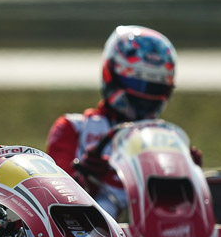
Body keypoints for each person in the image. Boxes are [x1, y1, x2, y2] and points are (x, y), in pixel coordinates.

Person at [46, 25, 200, 218]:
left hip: (153, 230)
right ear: (113, 75)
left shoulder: (168, 140)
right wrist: (85, 179)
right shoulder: (73, 129)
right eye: (138, 84)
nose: (145, 95)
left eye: (154, 88)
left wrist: (192, 180)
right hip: (92, 233)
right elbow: (51, 203)